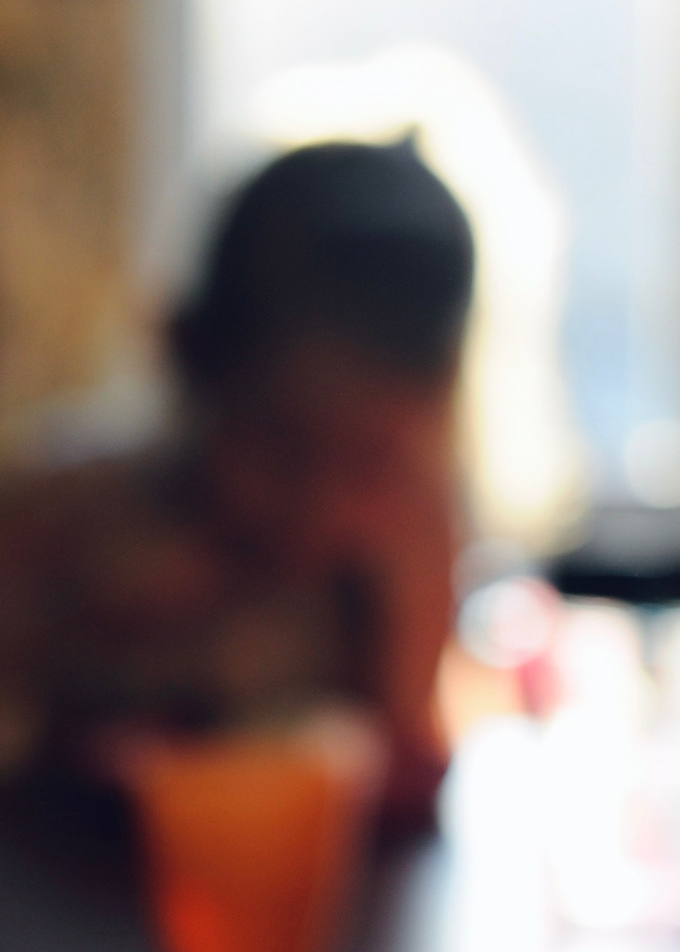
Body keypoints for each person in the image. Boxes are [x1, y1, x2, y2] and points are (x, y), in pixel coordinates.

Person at [0, 138, 473, 826]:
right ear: (184, 356)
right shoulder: (60, 520)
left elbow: (401, 767)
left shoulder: (403, 541)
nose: (321, 510)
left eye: (373, 462)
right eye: (281, 446)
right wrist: (71, 615)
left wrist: (407, 603)